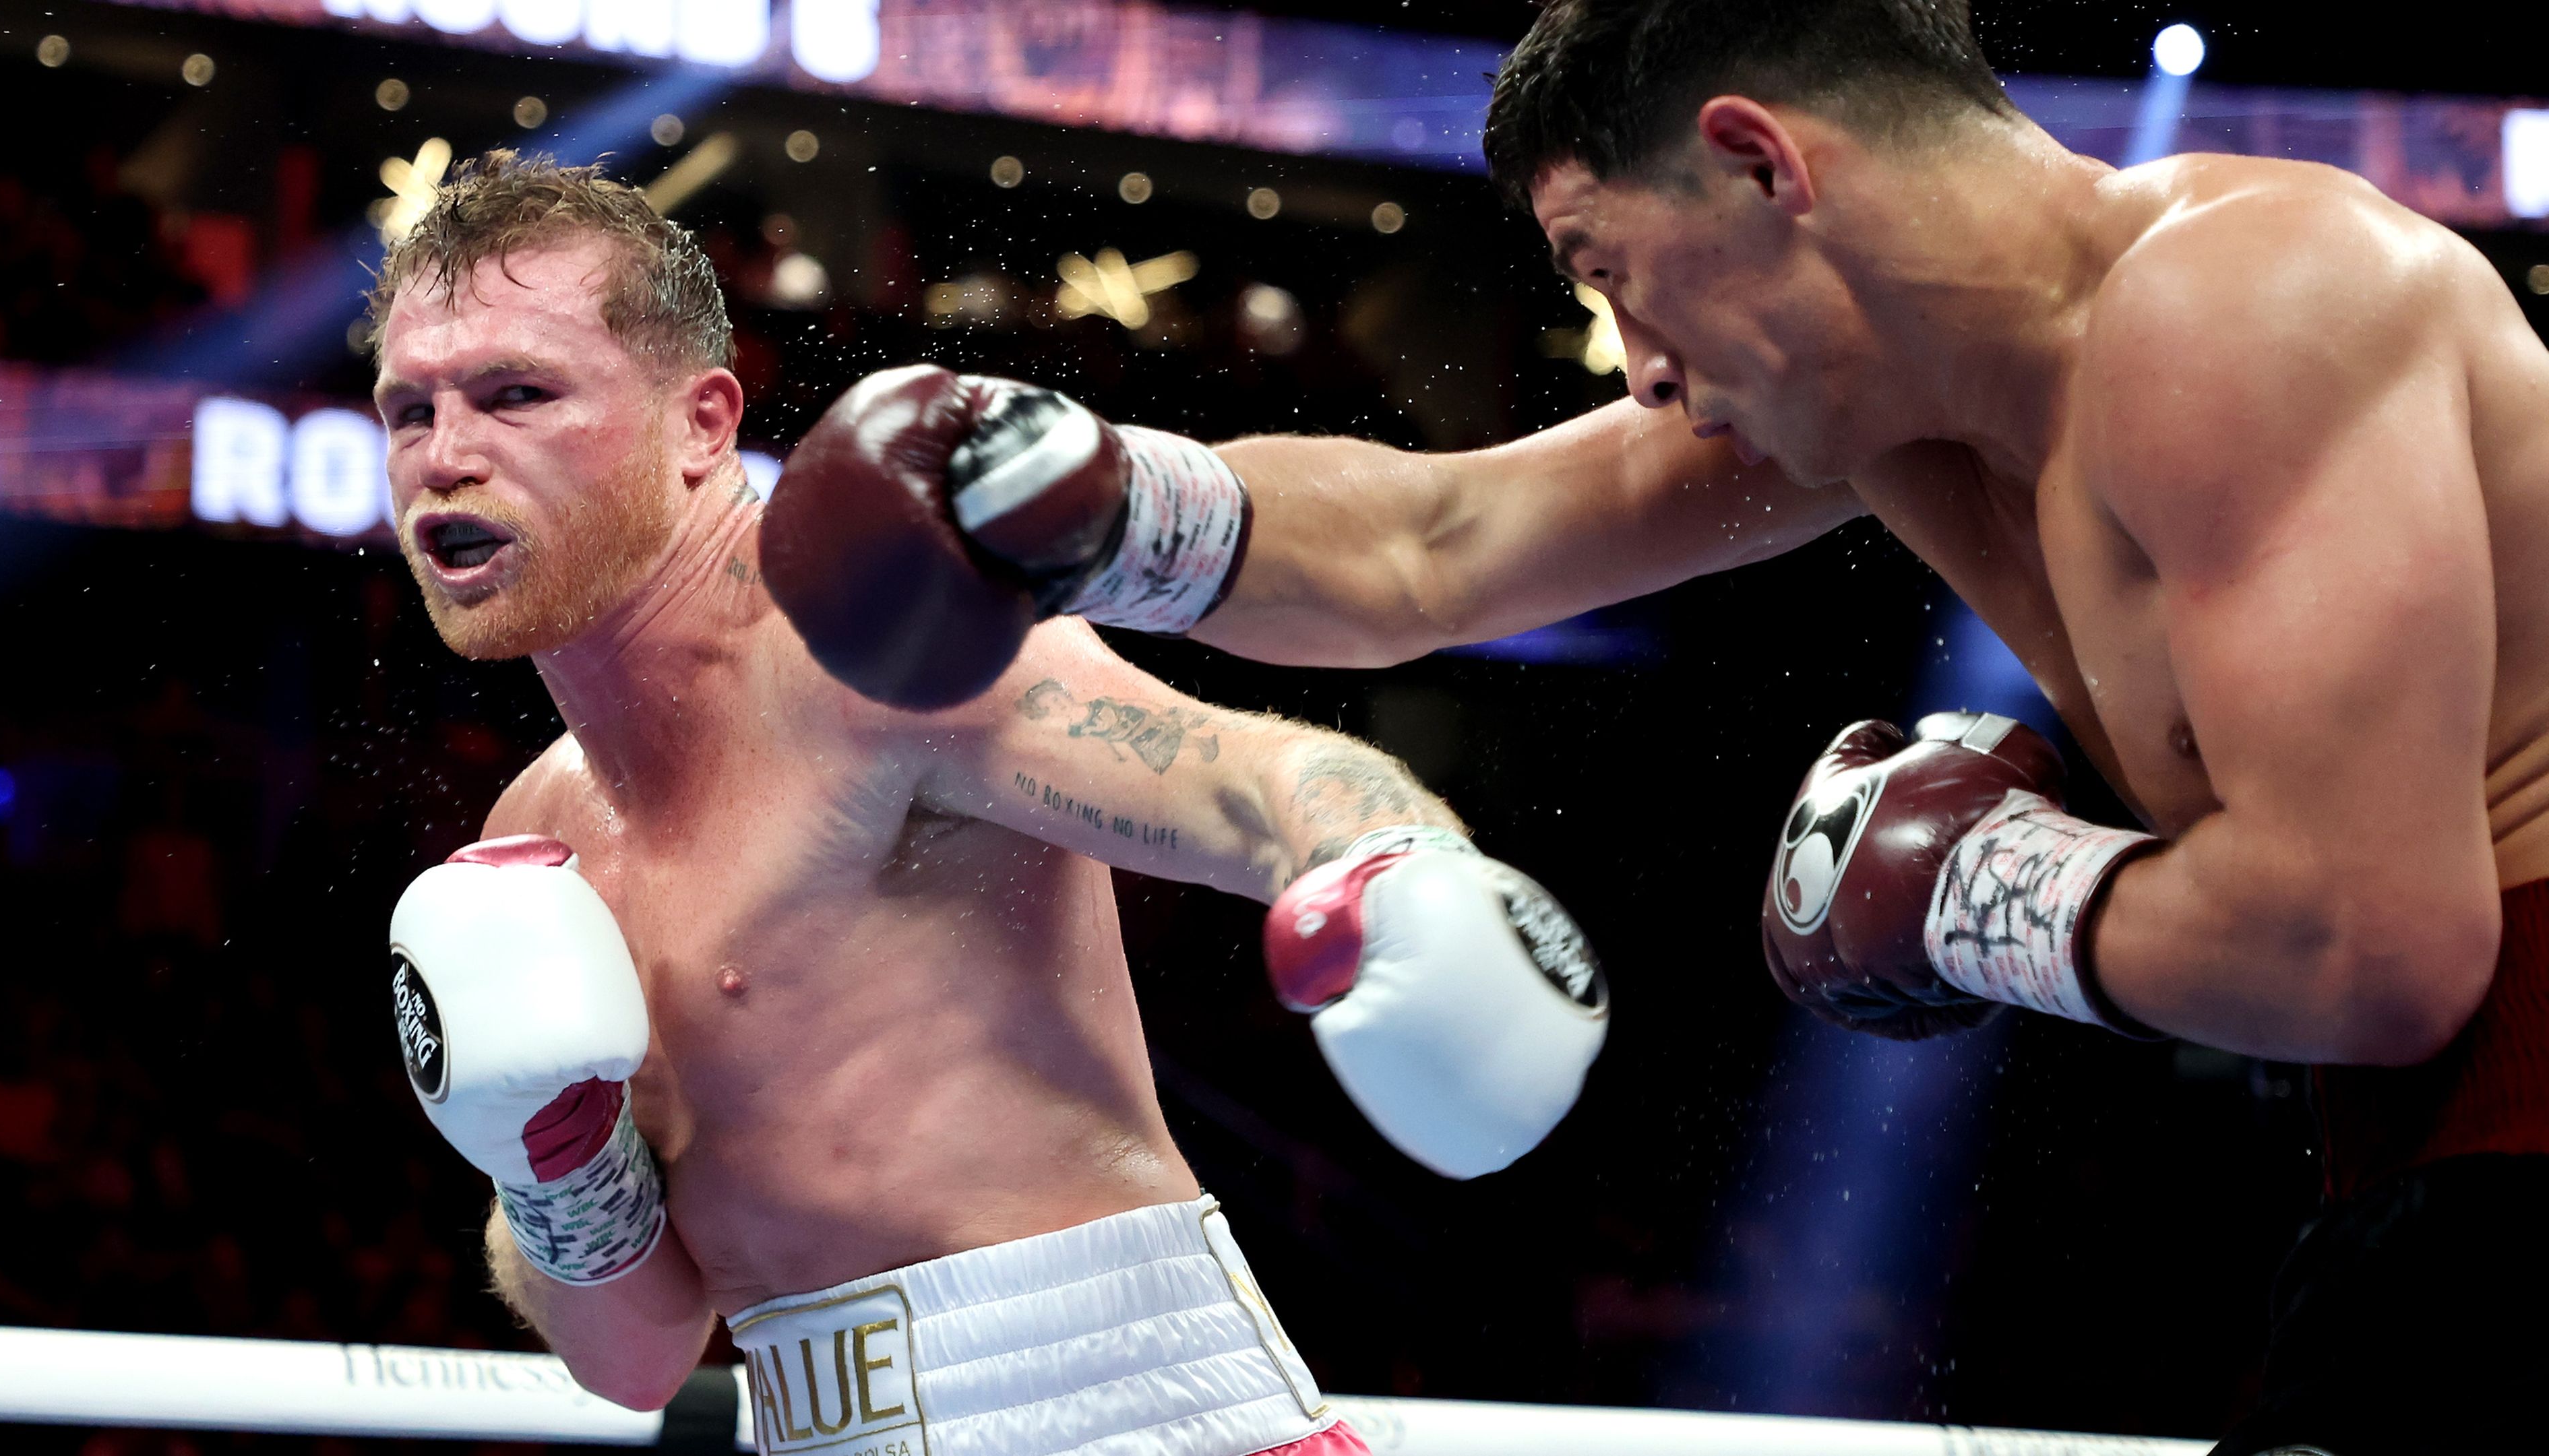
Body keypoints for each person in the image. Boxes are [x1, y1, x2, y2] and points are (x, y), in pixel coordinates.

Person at [772, 2, 2549, 1449]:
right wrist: (1079, 506)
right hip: (2413, 1171)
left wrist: (1974, 888)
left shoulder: (2245, 303)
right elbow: (1427, 545)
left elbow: (2373, 943)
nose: (1629, 359)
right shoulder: (1890, 407)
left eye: (1607, 270)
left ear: (1760, 163)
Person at [367, 151, 1609, 1456]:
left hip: (1130, 1420)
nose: (448, 457)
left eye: (516, 395)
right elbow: (637, 1356)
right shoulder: (531, 851)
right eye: (409, 409)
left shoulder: (875, 647)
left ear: (703, 424)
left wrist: (1392, 857)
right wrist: (555, 1162)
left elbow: (1253, 785)